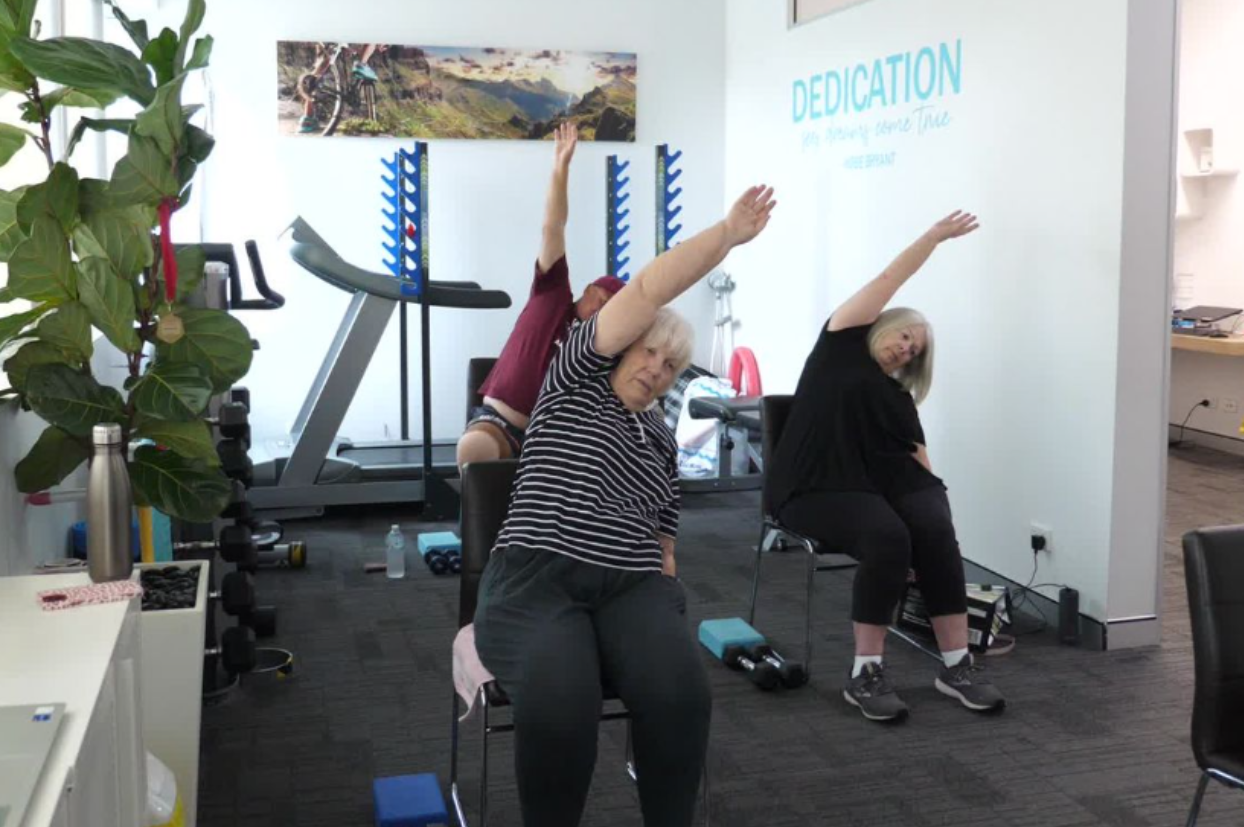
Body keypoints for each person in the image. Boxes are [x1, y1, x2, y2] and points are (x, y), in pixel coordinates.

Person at [472, 185, 777, 827]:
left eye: (672, 367)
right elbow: (645, 291)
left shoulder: (662, 438)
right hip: (538, 578)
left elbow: (665, 534)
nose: (657, 371)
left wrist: (663, 584)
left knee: (681, 697)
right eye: (649, 353)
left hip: (630, 585)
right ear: (621, 347)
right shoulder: (572, 380)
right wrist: (724, 235)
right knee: (564, 706)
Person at [767, 210, 1006, 723]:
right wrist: (933, 238)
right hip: (815, 484)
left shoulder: (898, 396)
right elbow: (887, 279)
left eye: (913, 350)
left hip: (881, 482)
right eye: (903, 335)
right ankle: (865, 673)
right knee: (888, 536)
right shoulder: (839, 345)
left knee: (934, 527)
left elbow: (917, 458)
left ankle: (957, 664)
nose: (905, 348)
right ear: (882, 326)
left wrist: (932, 503)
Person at [456, 122, 626, 468]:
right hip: (501, 423)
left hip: (555, 441)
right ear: (589, 290)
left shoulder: (604, 344)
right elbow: (553, 227)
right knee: (475, 451)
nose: (603, 310)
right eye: (602, 300)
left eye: (612, 309)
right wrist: (560, 167)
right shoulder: (552, 294)